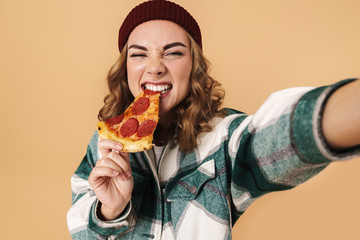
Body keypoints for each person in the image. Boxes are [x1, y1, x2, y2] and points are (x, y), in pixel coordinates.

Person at [67, 0, 360, 239]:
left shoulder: (222, 138)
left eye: (173, 52)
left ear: (194, 65)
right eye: (139, 54)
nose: (155, 67)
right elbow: (81, 233)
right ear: (125, 67)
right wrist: (110, 211)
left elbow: (282, 134)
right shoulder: (105, 143)